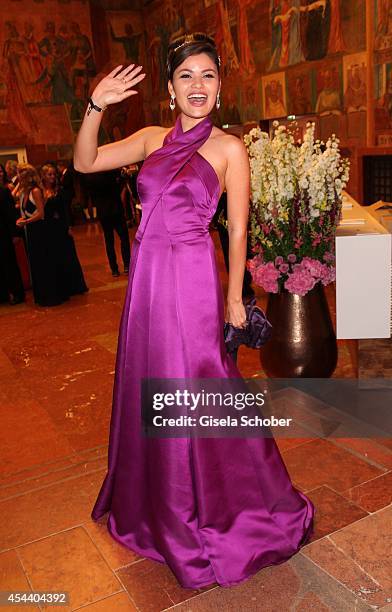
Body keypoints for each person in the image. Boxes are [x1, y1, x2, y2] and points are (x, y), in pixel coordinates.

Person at [74, 33, 314, 589]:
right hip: (148, 282)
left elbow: (237, 229)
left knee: (201, 383)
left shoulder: (229, 149)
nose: (197, 85)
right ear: (170, 87)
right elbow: (86, 161)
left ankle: (222, 506)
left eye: (207, 75)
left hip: (193, 278)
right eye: (186, 76)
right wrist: (95, 105)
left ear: (220, 86)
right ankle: (155, 502)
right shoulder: (151, 138)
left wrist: (234, 297)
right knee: (151, 382)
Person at [16, 163, 67, 306]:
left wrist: (26, 221)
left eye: (21, 174)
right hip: (31, 231)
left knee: (43, 262)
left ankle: (50, 295)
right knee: (35, 263)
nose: (19, 177)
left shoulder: (36, 191)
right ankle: (41, 295)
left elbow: (41, 214)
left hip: (40, 231)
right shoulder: (23, 193)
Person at [41, 163, 88, 296]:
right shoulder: (40, 191)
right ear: (43, 176)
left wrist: (68, 226)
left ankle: (74, 285)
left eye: (54, 174)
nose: (52, 177)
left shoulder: (59, 190)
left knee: (67, 255)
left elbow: (65, 210)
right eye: (49, 174)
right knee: (54, 256)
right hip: (48, 227)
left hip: (60, 226)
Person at [86, 170, 130, 276]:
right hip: (116, 208)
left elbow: (91, 194)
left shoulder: (92, 175)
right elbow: (119, 186)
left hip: (103, 211)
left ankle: (114, 269)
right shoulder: (112, 171)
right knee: (124, 237)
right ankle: (127, 265)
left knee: (109, 240)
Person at [0, 185, 25, 305]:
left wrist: (15, 234)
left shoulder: (3, 191)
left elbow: (11, 214)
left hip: (4, 234)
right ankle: (3, 295)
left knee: (9, 265)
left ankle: (18, 294)